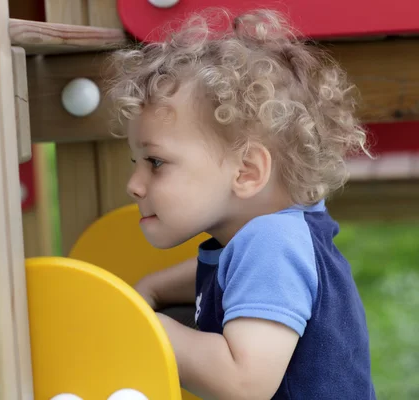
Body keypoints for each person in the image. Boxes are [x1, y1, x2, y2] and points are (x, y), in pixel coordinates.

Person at [105, 8, 377, 400]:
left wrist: (148, 326)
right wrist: (153, 289)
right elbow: (231, 268)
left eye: (156, 162)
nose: (134, 185)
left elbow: (243, 381)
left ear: (247, 171)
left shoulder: (272, 243)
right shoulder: (283, 230)